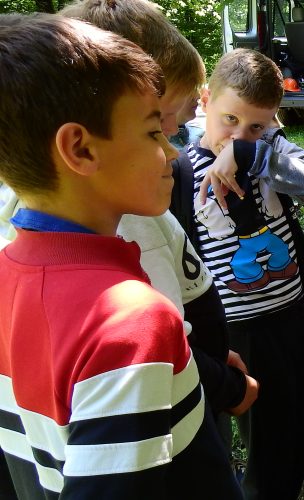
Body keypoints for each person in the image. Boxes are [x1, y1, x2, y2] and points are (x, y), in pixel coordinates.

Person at [0, 14, 241, 498]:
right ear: (80, 149)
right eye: (154, 133)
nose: (172, 153)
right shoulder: (131, 323)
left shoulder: (9, 276)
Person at [180, 48, 304, 499]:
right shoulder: (180, 167)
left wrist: (251, 153)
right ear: (206, 100)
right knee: (233, 435)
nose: (239, 134)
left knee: (287, 433)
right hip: (232, 329)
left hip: (287, 315)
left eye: (256, 126)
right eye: (230, 120)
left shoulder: (271, 151)